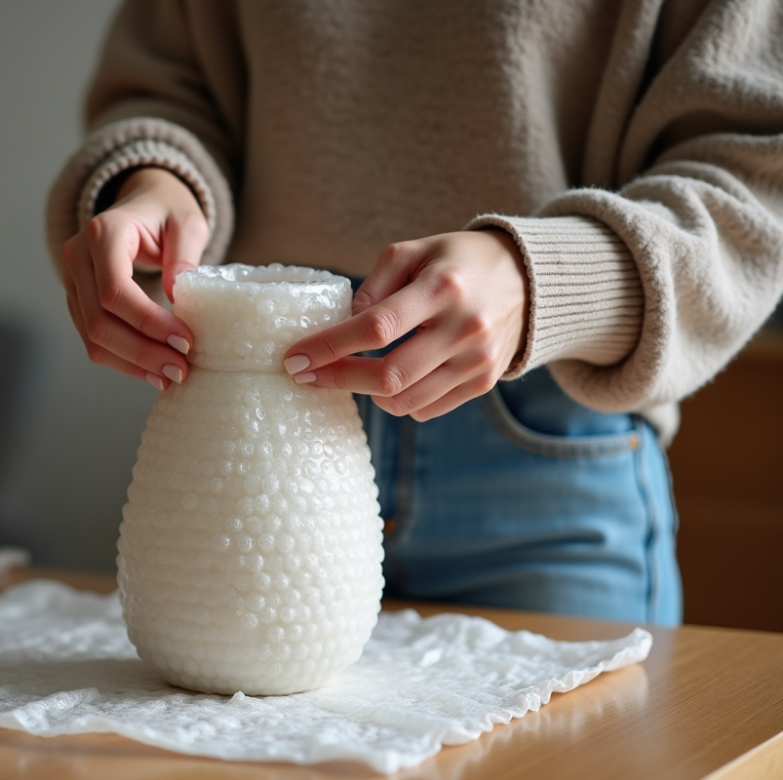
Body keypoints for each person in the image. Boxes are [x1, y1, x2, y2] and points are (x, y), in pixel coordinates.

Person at [45, 0, 783, 626]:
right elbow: (170, 86)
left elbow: (755, 169)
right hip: (253, 427)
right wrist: (156, 182)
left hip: (548, 446)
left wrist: (542, 281)